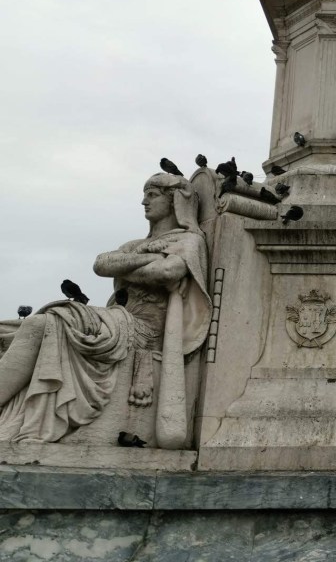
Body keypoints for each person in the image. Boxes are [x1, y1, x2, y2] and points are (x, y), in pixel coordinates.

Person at [0, 173, 211, 448]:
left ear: (174, 202)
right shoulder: (135, 245)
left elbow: (168, 271)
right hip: (116, 318)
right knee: (12, 330)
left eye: (152, 194)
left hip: (142, 330)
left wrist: (132, 264)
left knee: (40, 325)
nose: (143, 201)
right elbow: (101, 264)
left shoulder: (188, 241)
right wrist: (148, 256)